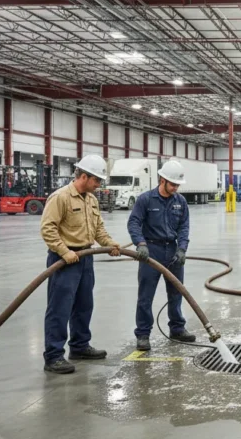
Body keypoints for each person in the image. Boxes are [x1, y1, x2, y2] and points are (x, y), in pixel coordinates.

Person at [39, 154, 121, 374]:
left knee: (84, 305)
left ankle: (79, 346)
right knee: (60, 308)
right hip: (64, 261)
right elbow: (48, 229)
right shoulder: (61, 197)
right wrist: (64, 252)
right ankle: (53, 356)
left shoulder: (91, 199)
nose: (99, 184)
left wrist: (109, 243)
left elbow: (98, 229)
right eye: (97, 180)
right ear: (84, 176)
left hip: (85, 258)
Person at [127, 160, 195, 351]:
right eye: (172, 184)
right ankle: (143, 334)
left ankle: (177, 328)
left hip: (172, 250)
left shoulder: (180, 202)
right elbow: (134, 223)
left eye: (178, 185)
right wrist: (140, 244)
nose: (175, 188)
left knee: (176, 292)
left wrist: (182, 249)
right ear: (162, 180)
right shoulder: (146, 200)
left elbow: (184, 227)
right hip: (151, 251)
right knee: (145, 295)